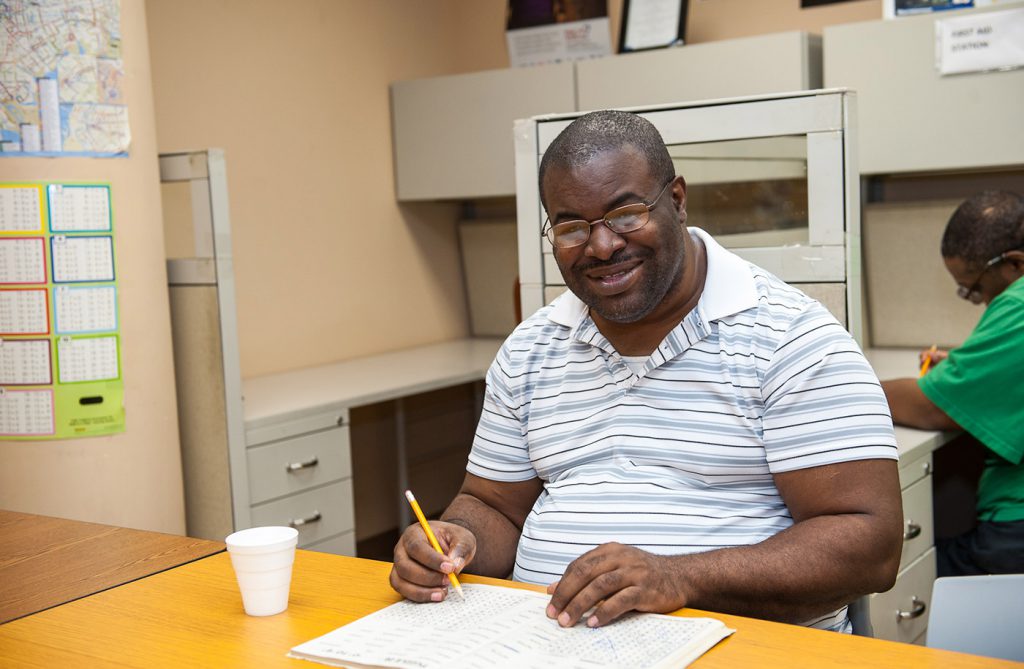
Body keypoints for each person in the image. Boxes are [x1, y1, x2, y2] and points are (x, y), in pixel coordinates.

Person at [391, 110, 903, 633]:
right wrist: (454, 541)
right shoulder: (531, 349)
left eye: (627, 214)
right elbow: (494, 507)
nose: (603, 245)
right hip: (548, 643)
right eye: (571, 227)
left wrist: (679, 578)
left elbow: (869, 544)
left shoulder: (792, 340)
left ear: (677, 200)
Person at [881, 190, 1024, 577]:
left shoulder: (1019, 305)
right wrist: (968, 365)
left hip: (1015, 527)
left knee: (909, 575)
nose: (976, 301)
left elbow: (930, 407)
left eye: (972, 288)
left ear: (1014, 263)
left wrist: (847, 384)